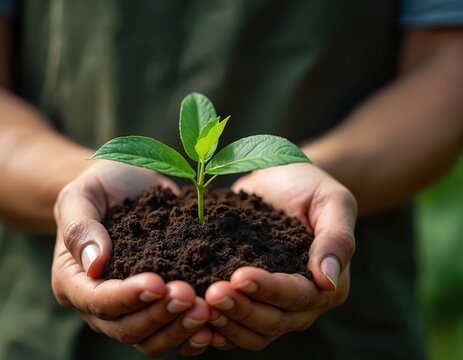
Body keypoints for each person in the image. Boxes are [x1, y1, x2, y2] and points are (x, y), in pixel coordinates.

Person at [0, 1, 462, 359]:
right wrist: (79, 181)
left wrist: (321, 174)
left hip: (344, 333)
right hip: (54, 334)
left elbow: (448, 68)